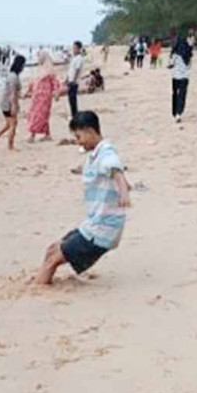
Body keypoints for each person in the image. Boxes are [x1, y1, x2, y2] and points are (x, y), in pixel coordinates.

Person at [36, 111, 130, 284]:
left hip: (103, 230)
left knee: (52, 260)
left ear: (90, 131)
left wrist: (124, 192)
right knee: (52, 249)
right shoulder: (96, 155)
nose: (78, 142)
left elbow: (117, 171)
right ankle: (37, 282)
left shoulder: (107, 153)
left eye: (79, 137)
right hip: (93, 224)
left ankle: (36, 292)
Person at [0, 55, 26, 150]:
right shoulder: (13, 77)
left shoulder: (13, 76)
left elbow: (16, 93)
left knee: (8, 125)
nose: (24, 67)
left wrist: (23, 97)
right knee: (13, 124)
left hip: (6, 102)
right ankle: (10, 146)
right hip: (7, 104)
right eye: (23, 65)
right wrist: (14, 106)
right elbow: (12, 93)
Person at [26, 51, 60, 142]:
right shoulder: (40, 69)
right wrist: (29, 91)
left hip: (45, 97)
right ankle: (47, 134)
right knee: (41, 115)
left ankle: (32, 135)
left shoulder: (50, 70)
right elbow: (34, 82)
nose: (38, 59)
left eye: (39, 57)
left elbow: (55, 82)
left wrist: (56, 93)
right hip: (36, 96)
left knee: (38, 115)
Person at [169, 36, 192, 122]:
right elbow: (189, 66)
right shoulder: (188, 55)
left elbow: (171, 64)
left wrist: (171, 66)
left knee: (175, 94)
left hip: (175, 77)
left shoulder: (175, 54)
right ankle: (179, 113)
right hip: (185, 77)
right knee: (182, 95)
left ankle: (174, 112)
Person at [67, 41, 84, 119]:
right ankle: (73, 114)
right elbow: (71, 70)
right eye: (73, 48)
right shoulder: (74, 58)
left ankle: (74, 115)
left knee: (73, 99)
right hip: (70, 80)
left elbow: (77, 70)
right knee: (70, 99)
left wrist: (73, 80)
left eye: (75, 48)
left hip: (74, 82)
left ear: (79, 49)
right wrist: (67, 79)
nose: (73, 49)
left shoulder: (79, 58)